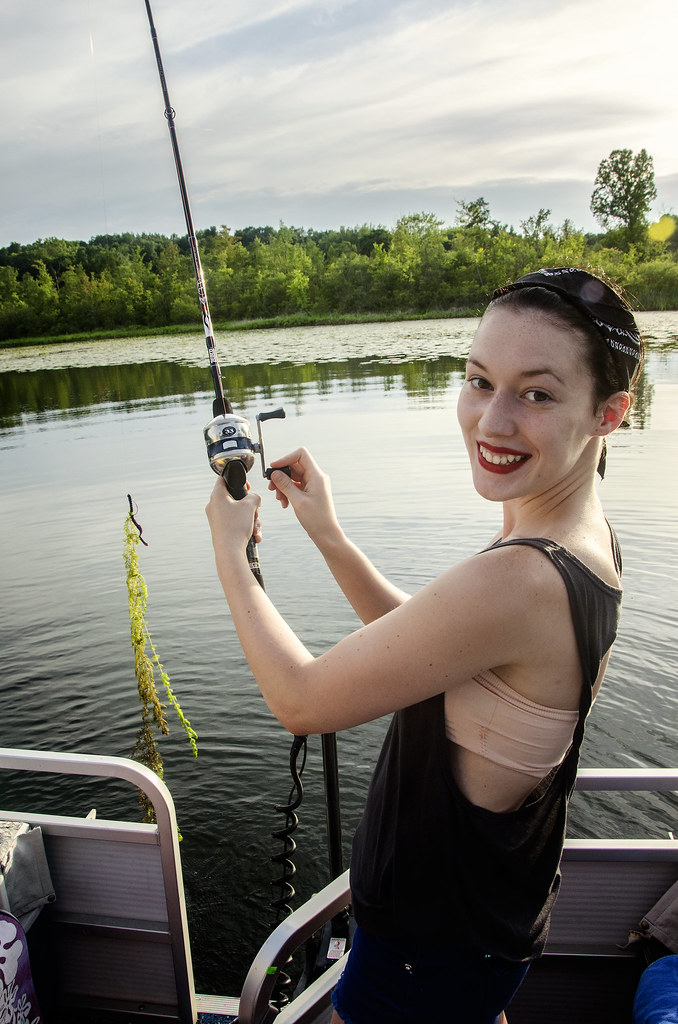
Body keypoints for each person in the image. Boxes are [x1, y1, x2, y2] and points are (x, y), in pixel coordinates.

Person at [206, 266, 643, 1024]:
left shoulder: (522, 578)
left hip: (426, 952)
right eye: (479, 381)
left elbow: (300, 700)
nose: (492, 421)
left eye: (538, 394)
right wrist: (329, 535)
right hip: (483, 931)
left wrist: (227, 552)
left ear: (609, 413)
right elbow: (446, 648)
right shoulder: (577, 540)